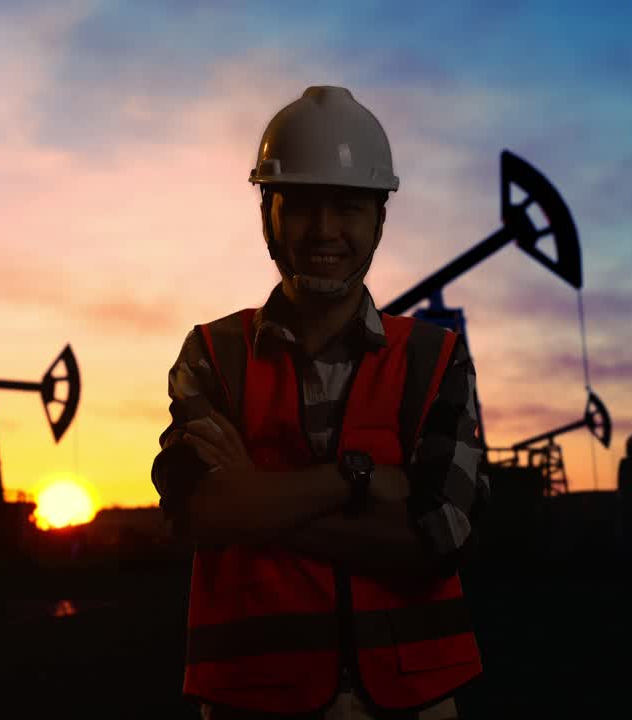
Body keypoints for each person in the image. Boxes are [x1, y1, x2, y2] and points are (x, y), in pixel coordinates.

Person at [152, 86, 490, 720]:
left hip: (412, 699)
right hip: (254, 699)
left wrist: (258, 499)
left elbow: (441, 537)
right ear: (267, 216)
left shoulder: (434, 359)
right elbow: (196, 513)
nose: (325, 229)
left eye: (349, 207)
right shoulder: (213, 355)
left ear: (379, 223)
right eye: (302, 205)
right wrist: (357, 478)